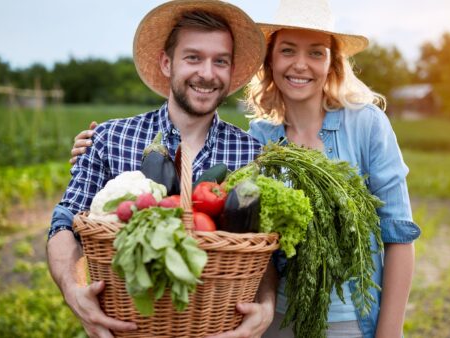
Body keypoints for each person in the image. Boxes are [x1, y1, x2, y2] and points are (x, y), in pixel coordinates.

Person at [71, 0, 421, 337]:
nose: (301, 64)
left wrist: (390, 332)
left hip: (348, 321)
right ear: (270, 60)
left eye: (316, 52)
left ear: (331, 63)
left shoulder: (365, 125)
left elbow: (398, 235)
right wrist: (92, 148)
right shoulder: (258, 142)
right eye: (288, 50)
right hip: (271, 318)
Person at [47, 2, 278, 338]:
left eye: (220, 61)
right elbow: (64, 222)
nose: (207, 73)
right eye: (193, 57)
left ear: (230, 72)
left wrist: (267, 305)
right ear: (167, 62)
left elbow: (265, 251)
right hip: (129, 327)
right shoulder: (110, 138)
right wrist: (72, 291)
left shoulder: (252, 154)